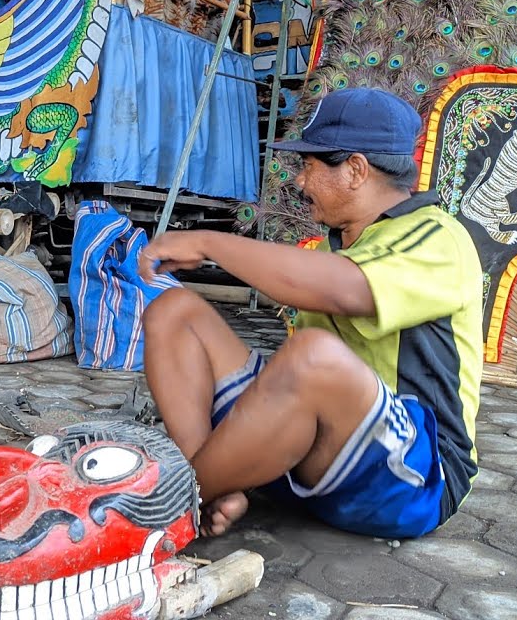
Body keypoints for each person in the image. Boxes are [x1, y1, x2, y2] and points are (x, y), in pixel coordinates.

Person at [138, 87, 484, 540]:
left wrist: (208, 243)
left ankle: (174, 501)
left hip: (413, 481)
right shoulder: (333, 245)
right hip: (311, 465)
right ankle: (216, 486)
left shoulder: (439, 236)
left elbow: (345, 289)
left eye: (309, 166)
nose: (300, 182)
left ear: (356, 170)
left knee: (312, 355)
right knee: (173, 309)